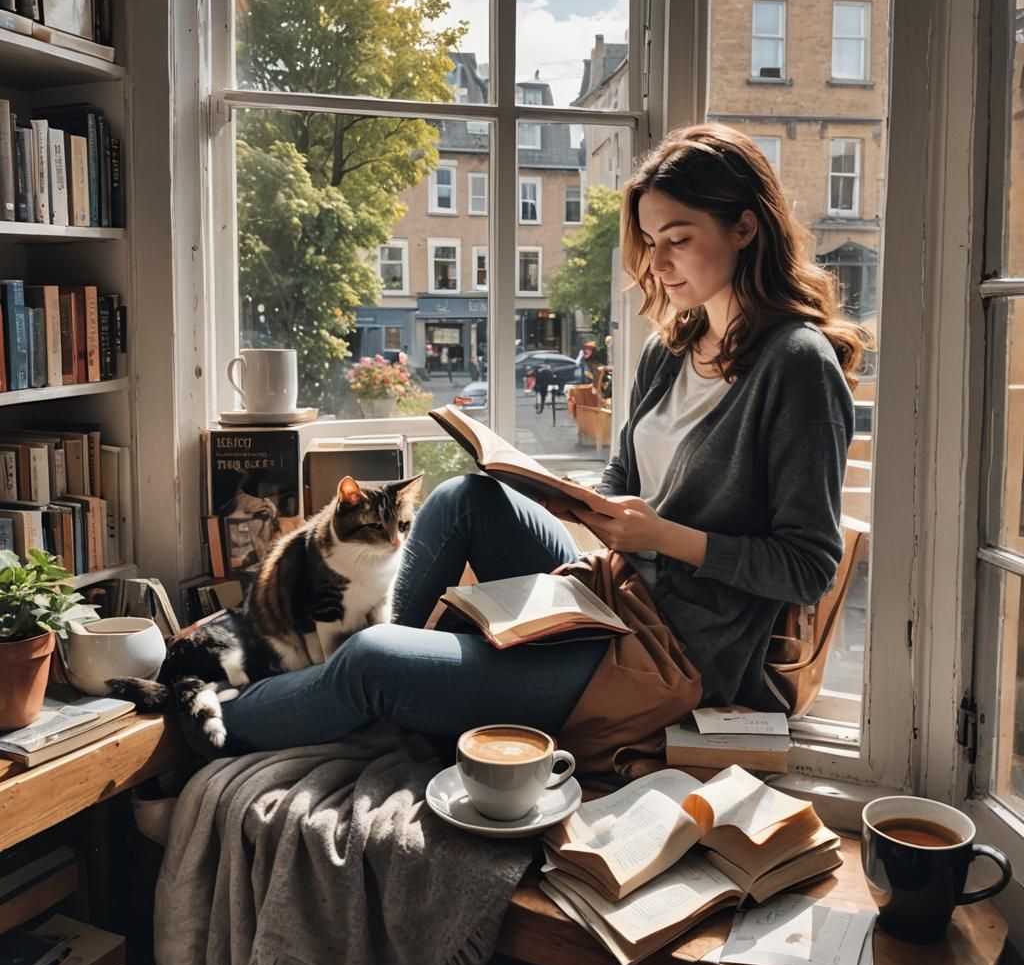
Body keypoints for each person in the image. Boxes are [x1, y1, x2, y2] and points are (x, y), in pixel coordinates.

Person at [217, 123, 868, 754]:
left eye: (678, 238)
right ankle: (378, 688)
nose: (657, 263)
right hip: (612, 590)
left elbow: (808, 568)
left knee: (369, 658)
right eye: (649, 241)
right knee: (464, 498)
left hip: (677, 652)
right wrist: (576, 498)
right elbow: (624, 481)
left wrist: (663, 536)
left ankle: (210, 723)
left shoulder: (797, 365)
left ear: (745, 228)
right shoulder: (670, 349)